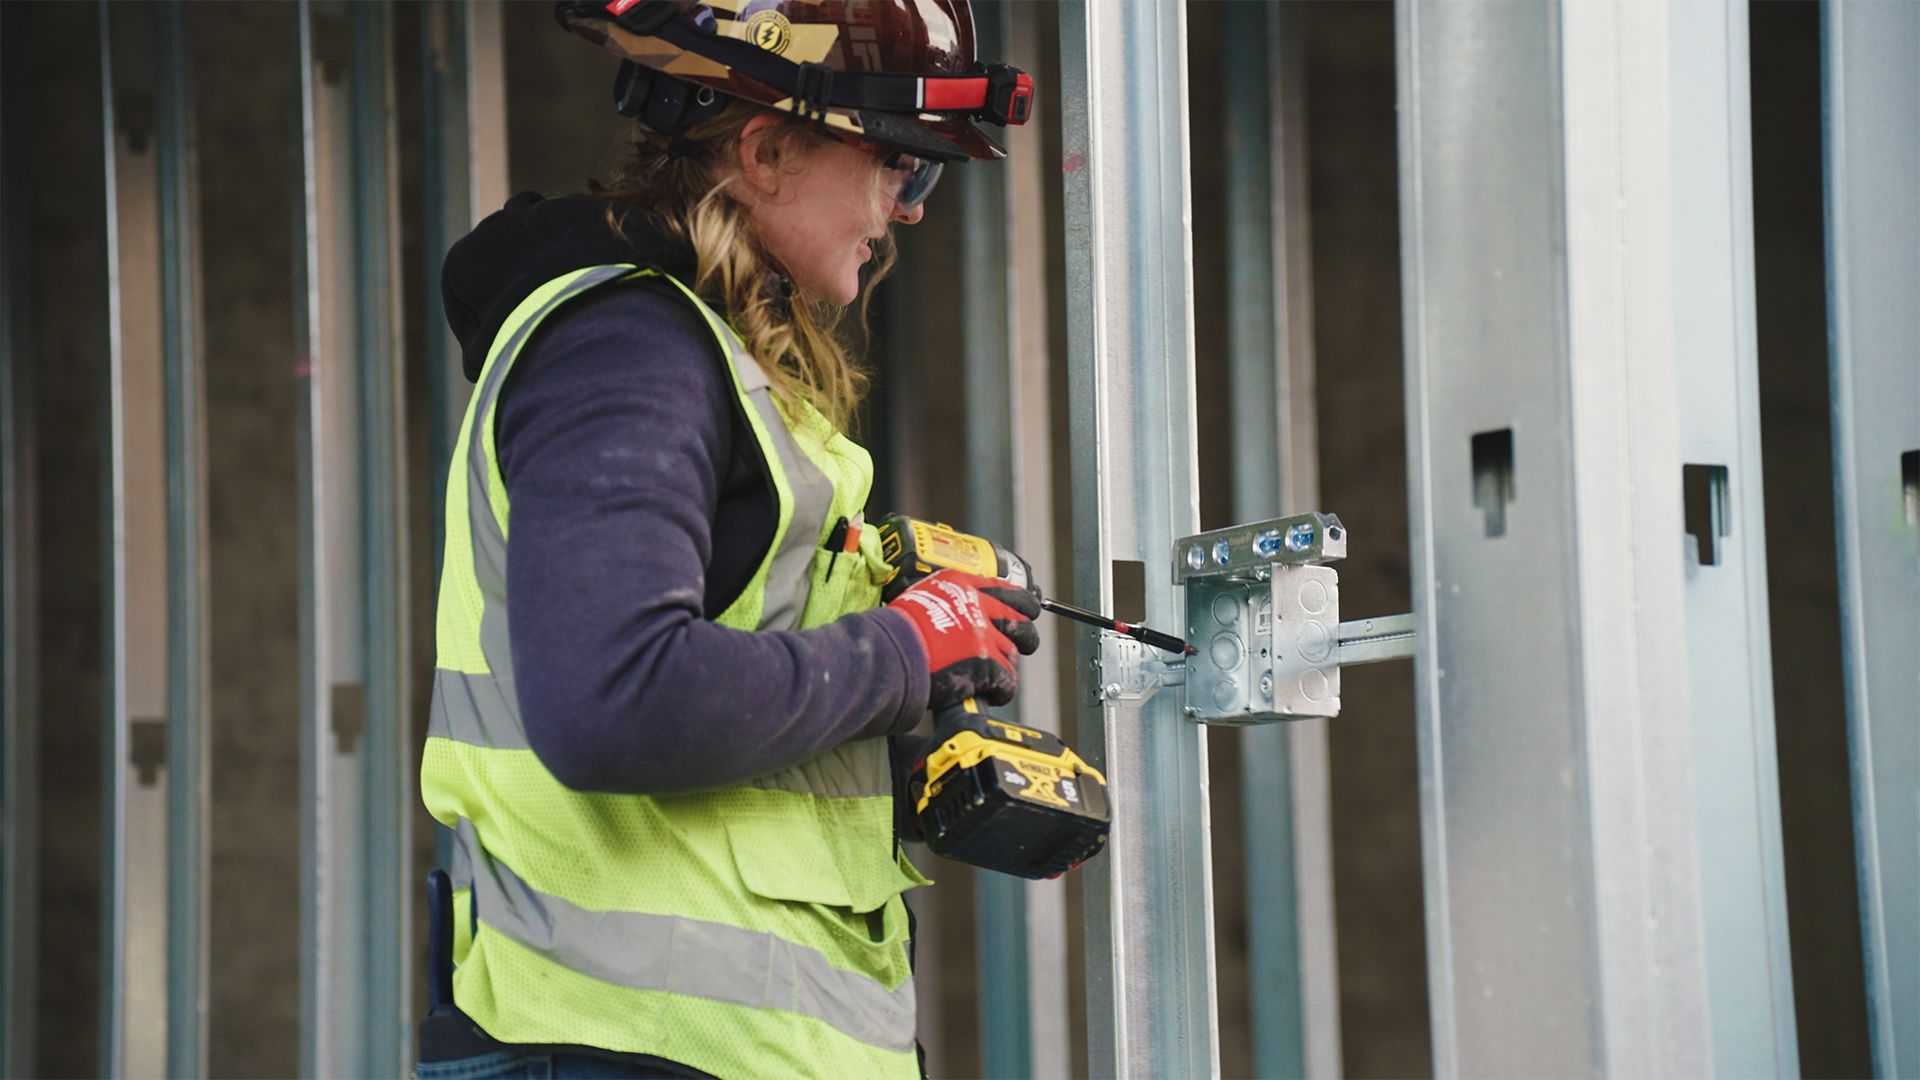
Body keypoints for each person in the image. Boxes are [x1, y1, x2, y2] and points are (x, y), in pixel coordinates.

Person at [415, 2, 1040, 1077]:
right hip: (620, 1051)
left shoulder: (702, 360)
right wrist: (906, 649)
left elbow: (723, 751)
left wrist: (910, 720)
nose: (911, 207)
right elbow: (616, 701)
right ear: (766, 151)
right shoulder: (625, 352)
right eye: (901, 164)